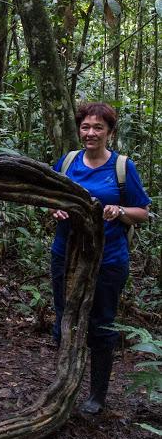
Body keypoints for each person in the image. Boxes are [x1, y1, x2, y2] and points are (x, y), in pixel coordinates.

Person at [51, 102, 150, 414]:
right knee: (63, 319)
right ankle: (63, 388)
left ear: (109, 132)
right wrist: (56, 209)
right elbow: (48, 198)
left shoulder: (122, 167)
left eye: (98, 128)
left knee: (102, 323)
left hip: (108, 260)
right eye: (86, 127)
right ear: (79, 129)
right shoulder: (67, 163)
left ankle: (96, 396)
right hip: (66, 256)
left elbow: (142, 212)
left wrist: (119, 211)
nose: (90, 133)